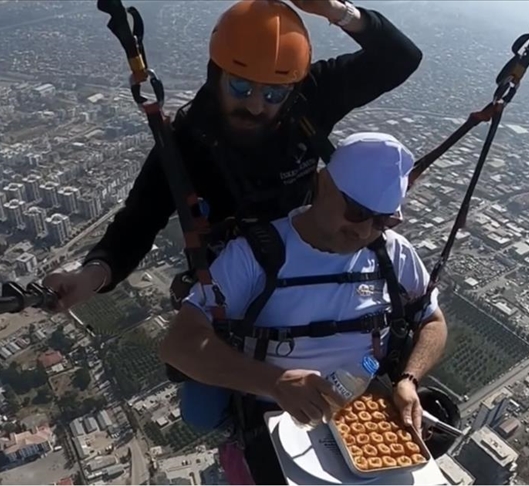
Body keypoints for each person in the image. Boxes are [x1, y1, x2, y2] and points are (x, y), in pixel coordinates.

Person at [44, 0, 423, 310]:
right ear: (216, 74)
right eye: (240, 86)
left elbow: (400, 59)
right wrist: (91, 274)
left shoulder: (311, 97)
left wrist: (337, 11)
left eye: (274, 94)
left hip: (314, 248)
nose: (256, 105)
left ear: (292, 88)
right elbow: (139, 220)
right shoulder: (187, 141)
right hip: (237, 275)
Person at [158, 132, 448, 484]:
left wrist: (408, 379)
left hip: (364, 409)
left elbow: (432, 321)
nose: (365, 231)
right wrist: (275, 382)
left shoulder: (393, 254)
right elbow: (179, 344)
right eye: (357, 212)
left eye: (383, 221)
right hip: (273, 414)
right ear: (322, 184)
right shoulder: (257, 255)